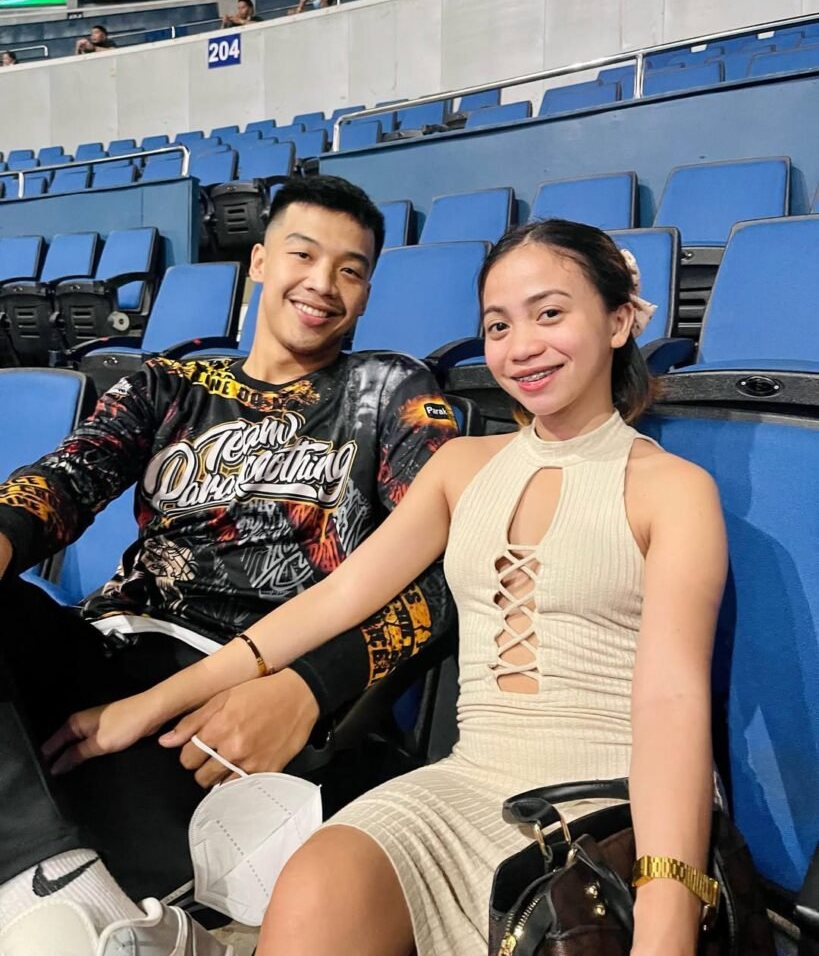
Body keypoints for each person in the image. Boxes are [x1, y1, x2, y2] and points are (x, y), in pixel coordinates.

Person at [42, 218, 728, 955]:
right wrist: (145, 707)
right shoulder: (462, 465)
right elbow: (333, 602)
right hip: (466, 783)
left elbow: (670, 703)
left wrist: (665, 908)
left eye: (549, 313)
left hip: (615, 801)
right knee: (316, 883)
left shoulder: (674, 490)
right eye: (497, 324)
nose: (520, 345)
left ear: (619, 318)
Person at [0, 175, 458, 955]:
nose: (322, 283)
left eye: (350, 269)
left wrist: (306, 690)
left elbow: (451, 572)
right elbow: (71, 476)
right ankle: (64, 891)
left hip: (227, 694)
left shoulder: (388, 390)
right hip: (103, 649)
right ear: (257, 263)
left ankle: (58, 895)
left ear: (368, 292)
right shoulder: (169, 383)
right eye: (302, 254)